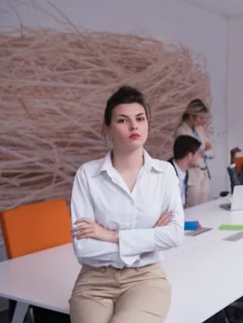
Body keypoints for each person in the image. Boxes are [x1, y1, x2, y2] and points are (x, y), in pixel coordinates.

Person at [69, 86, 184, 323]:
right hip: (94, 281)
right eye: (123, 120)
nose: (134, 126)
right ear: (108, 129)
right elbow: (84, 249)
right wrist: (149, 238)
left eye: (140, 119)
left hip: (145, 278)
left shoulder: (164, 172)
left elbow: (174, 235)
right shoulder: (88, 175)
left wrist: (111, 235)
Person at [174, 99, 215, 206]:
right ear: (192, 116)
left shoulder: (199, 129)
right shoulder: (181, 131)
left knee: (205, 210)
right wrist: (205, 153)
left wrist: (202, 153)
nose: (201, 121)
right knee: (193, 211)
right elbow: (189, 158)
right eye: (200, 118)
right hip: (192, 177)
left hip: (204, 175)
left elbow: (212, 151)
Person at [168, 135, 202, 208]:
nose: (199, 156)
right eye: (198, 153)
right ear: (189, 156)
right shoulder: (166, 173)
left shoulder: (184, 172)